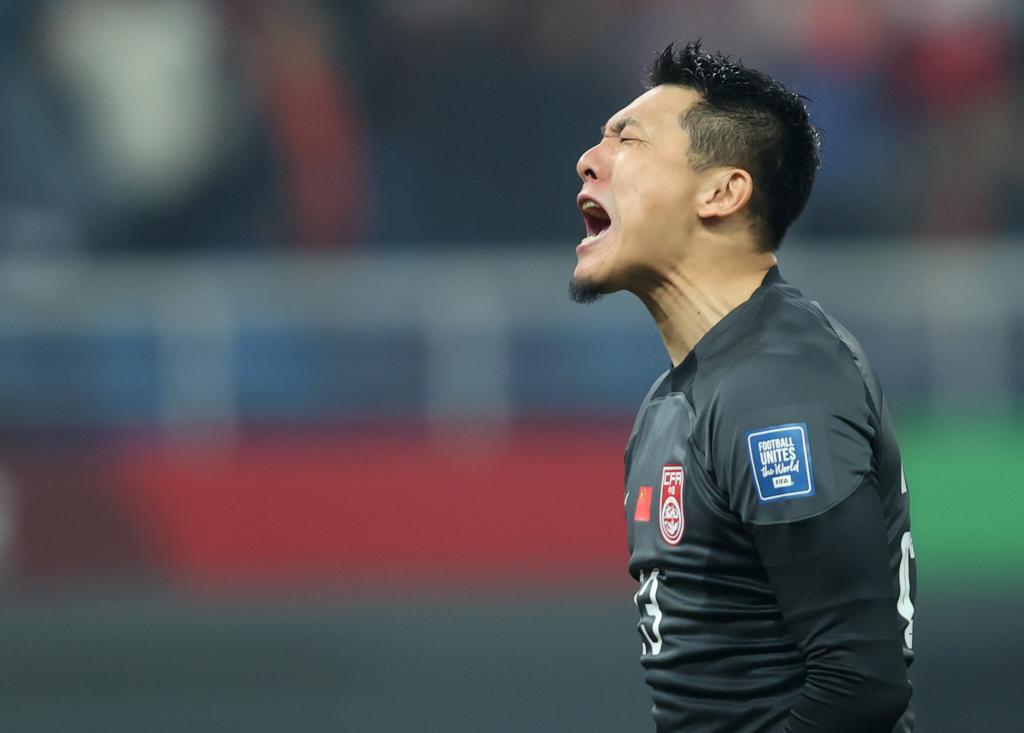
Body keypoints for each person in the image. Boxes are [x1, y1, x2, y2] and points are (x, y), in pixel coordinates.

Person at [570, 41, 915, 732]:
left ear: (722, 192)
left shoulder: (778, 383)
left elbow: (859, 685)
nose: (588, 159)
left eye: (627, 140)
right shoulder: (673, 402)